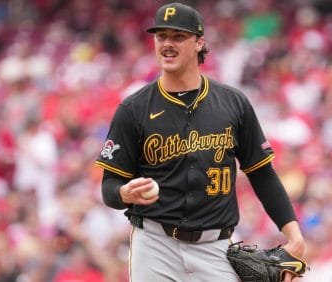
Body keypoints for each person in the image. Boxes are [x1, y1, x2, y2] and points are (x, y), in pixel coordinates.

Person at [95, 2, 307, 281]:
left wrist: (294, 236)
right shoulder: (134, 109)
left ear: (199, 43)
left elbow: (261, 172)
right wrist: (124, 194)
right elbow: (109, 187)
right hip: (155, 245)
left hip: (215, 247)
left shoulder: (233, 103)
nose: (167, 44)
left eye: (178, 36)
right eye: (161, 36)